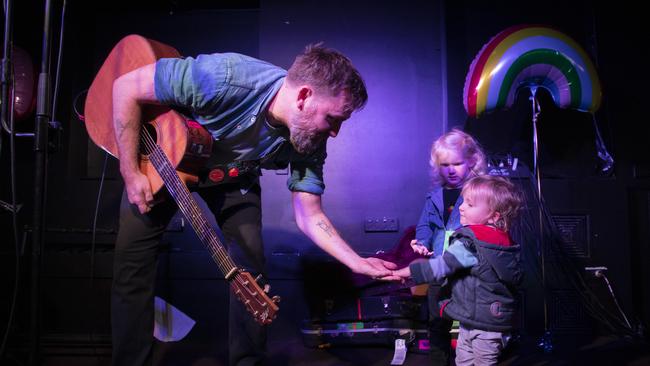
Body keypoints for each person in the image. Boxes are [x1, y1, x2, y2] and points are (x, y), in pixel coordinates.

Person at [110, 43, 396, 366]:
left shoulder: (309, 141)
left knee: (250, 263)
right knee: (132, 263)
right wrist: (130, 171)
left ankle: (248, 362)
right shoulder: (222, 78)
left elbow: (309, 213)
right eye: (332, 119)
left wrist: (356, 262)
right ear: (303, 97)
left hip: (232, 177)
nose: (334, 132)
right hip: (166, 161)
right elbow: (124, 88)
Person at [392, 175, 523, 366]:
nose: (461, 207)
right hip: (488, 320)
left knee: (468, 362)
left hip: (479, 322)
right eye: (463, 202)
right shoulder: (503, 240)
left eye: (469, 205)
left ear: (493, 216)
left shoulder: (470, 243)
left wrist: (407, 272)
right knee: (468, 360)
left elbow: (441, 266)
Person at [409, 129, 487, 365]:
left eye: (457, 163)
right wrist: (421, 242)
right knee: (436, 320)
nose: (451, 170)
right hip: (439, 269)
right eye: (445, 165)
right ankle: (439, 360)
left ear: (471, 162)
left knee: (470, 320)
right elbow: (425, 226)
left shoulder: (479, 191)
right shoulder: (434, 196)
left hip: (467, 270)